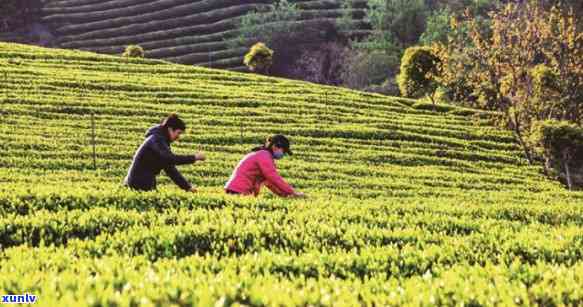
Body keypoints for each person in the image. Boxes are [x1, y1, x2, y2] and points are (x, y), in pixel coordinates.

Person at [124, 113, 205, 192]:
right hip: (138, 183)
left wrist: (187, 187)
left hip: (143, 182)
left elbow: (170, 169)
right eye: (178, 133)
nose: (178, 137)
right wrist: (194, 157)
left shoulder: (162, 141)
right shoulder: (156, 139)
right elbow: (171, 159)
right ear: (170, 129)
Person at [225, 134, 305, 198]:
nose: (283, 154)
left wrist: (286, 195)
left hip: (235, 190)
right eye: (283, 151)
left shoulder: (263, 155)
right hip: (238, 190)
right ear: (275, 146)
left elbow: (269, 183)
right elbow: (274, 178)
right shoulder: (264, 156)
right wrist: (292, 192)